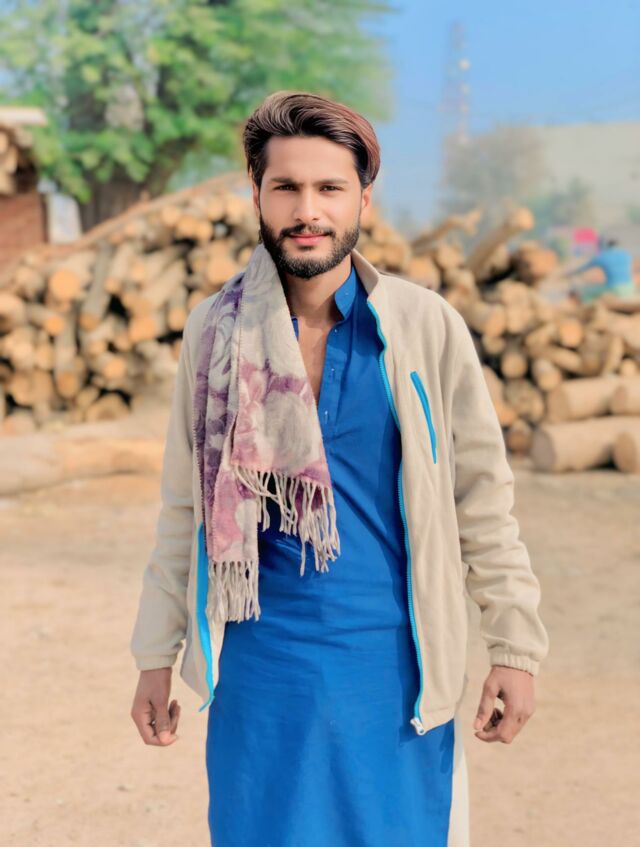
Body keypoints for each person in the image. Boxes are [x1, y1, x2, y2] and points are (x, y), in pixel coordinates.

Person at [129, 91, 549, 847]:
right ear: (256, 194)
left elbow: (483, 500)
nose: (307, 210)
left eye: (329, 187)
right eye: (285, 187)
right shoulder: (215, 332)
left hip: (394, 669)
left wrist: (514, 647)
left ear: (363, 198)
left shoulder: (423, 327)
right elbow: (184, 506)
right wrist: (155, 656)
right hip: (261, 673)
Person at [565, 237, 635, 303]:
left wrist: (570, 273)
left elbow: (584, 267)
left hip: (614, 288)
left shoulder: (603, 256)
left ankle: (587, 307)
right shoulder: (625, 254)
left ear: (607, 246)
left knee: (586, 291)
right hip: (630, 287)